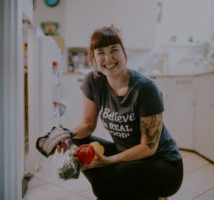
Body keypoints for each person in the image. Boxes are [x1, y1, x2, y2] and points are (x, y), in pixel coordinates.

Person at [60, 25, 183, 200]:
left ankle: (147, 192)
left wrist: (109, 161)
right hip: (127, 154)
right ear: (93, 58)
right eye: (100, 52)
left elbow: (148, 147)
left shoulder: (146, 89)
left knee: (104, 184)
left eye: (114, 50)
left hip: (162, 164)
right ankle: (136, 192)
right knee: (77, 140)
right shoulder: (94, 81)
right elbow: (87, 124)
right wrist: (64, 134)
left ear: (124, 53)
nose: (108, 58)